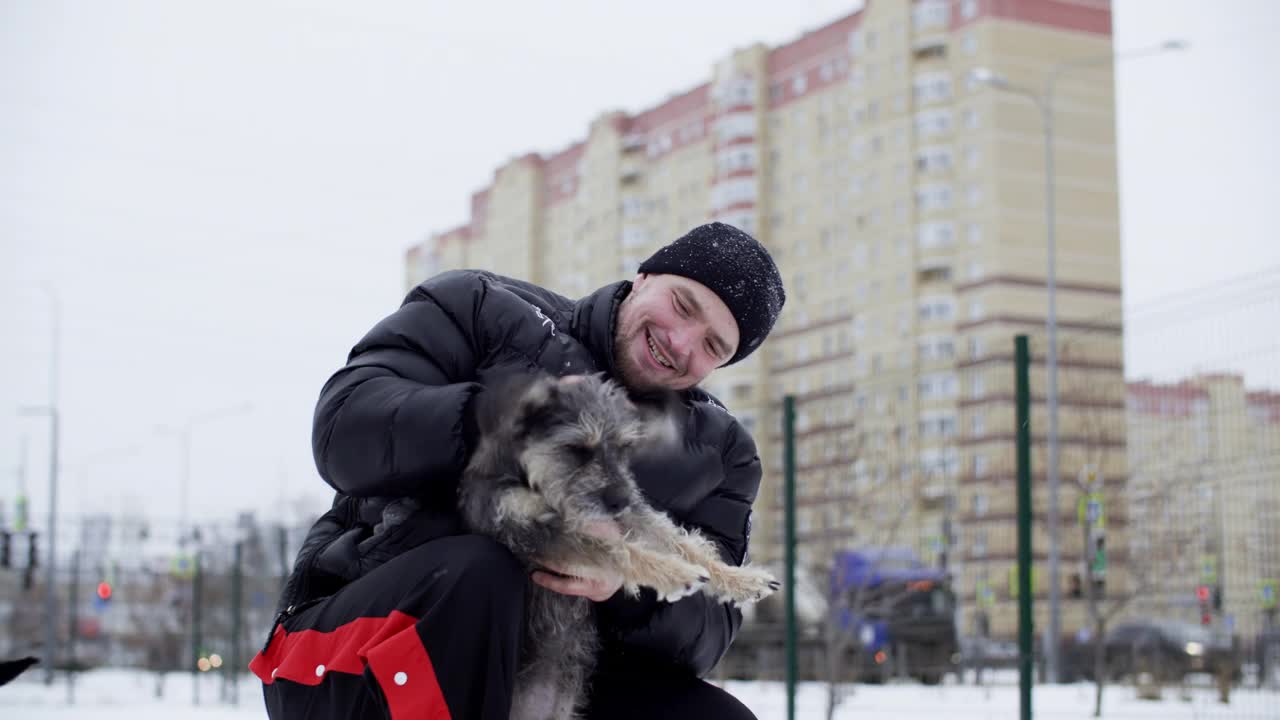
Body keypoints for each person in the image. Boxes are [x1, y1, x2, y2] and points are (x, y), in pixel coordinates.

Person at [251, 222, 785, 719]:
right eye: (682, 305)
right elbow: (343, 430)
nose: (681, 343)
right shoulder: (480, 308)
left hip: (548, 667)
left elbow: (710, 627)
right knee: (483, 572)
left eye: (713, 346)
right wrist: (500, 419)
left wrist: (621, 582)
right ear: (642, 277)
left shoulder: (721, 453)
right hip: (347, 645)